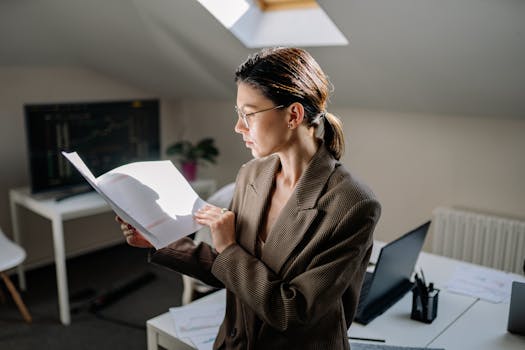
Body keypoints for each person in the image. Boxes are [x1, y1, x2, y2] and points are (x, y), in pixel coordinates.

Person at [117, 47, 381, 350]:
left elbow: (292, 312)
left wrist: (228, 245)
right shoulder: (251, 174)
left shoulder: (353, 204)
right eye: (238, 114)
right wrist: (157, 238)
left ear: (293, 114)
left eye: (249, 114)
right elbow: (227, 269)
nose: (238, 127)